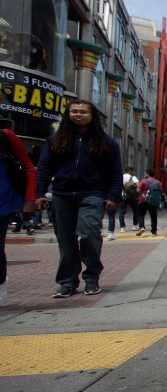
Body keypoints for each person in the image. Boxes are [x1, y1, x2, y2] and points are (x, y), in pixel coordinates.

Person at [36, 100, 123, 298]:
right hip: (62, 194)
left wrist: (113, 196)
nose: (78, 114)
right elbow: (44, 167)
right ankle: (67, 282)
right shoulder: (56, 140)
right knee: (65, 240)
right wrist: (40, 193)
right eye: (74, 111)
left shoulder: (107, 142)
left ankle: (92, 278)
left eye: (83, 112)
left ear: (92, 116)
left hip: (93, 193)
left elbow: (115, 173)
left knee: (89, 233)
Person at [0, 120, 37, 301]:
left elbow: (29, 167)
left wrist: (29, 199)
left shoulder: (6, 135)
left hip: (2, 202)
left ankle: (0, 283)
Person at [137, 169, 162, 236]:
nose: (144, 174)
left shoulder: (143, 181)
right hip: (153, 201)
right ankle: (154, 232)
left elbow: (138, 190)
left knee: (141, 214)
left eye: (145, 173)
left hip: (143, 200)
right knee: (153, 216)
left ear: (148, 174)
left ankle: (141, 227)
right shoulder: (158, 182)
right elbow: (160, 192)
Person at [119, 166, 140, 233]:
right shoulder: (133, 177)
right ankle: (135, 225)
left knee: (121, 211)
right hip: (131, 196)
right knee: (136, 210)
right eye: (133, 171)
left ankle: (122, 227)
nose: (133, 172)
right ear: (130, 171)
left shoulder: (120, 177)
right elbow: (138, 185)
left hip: (122, 196)